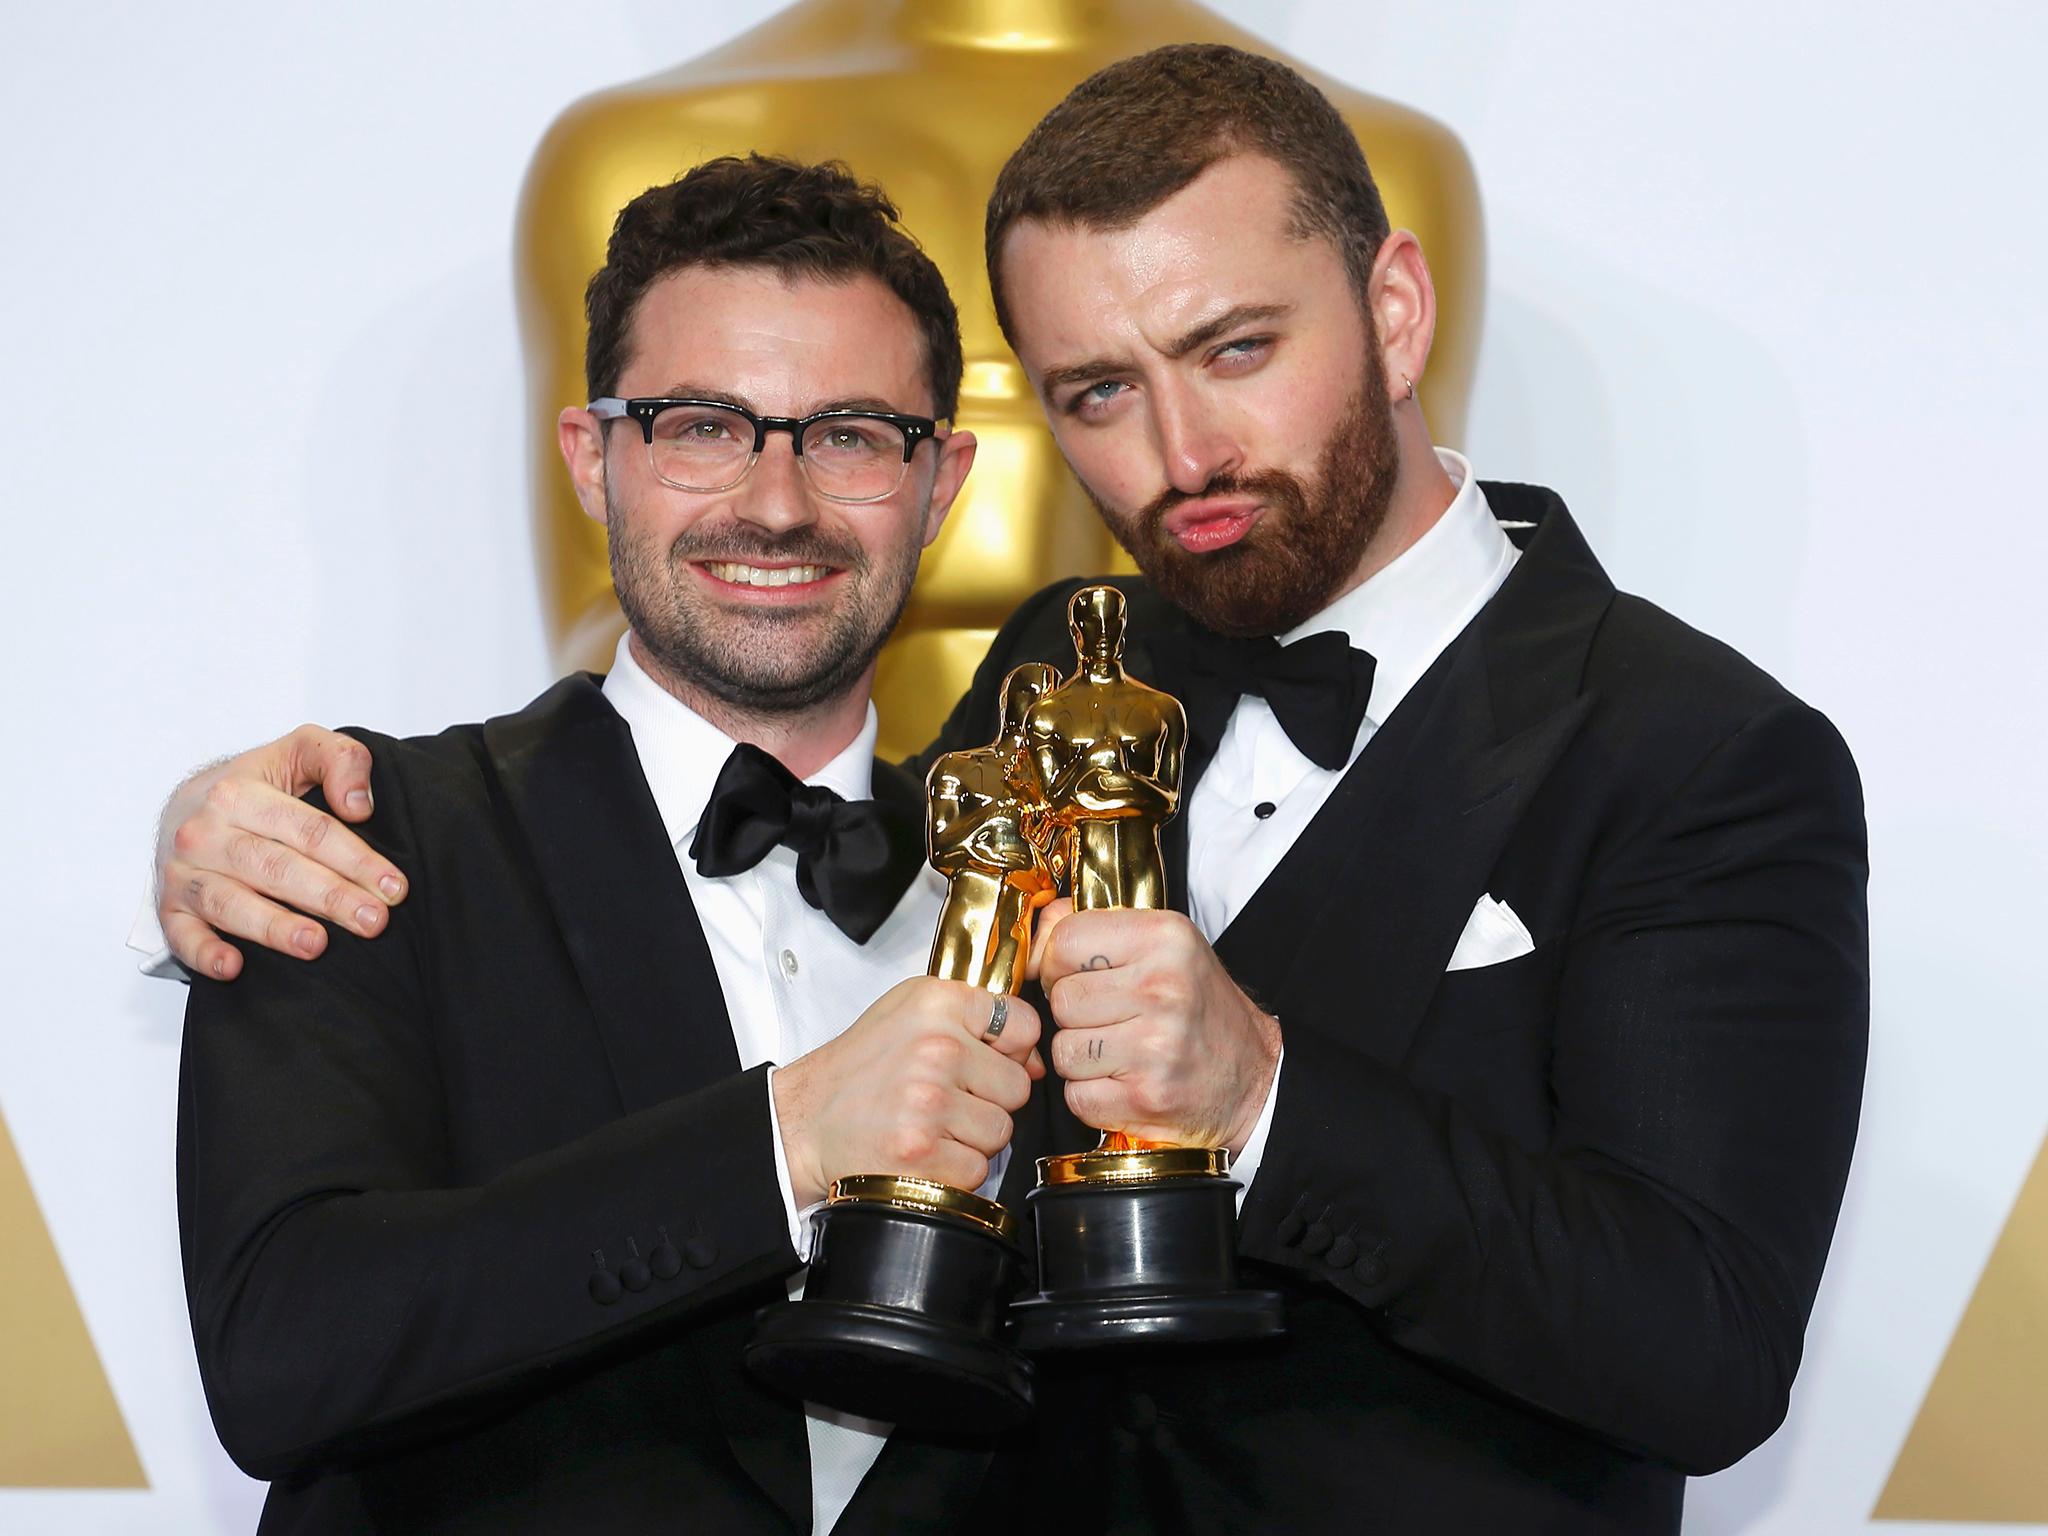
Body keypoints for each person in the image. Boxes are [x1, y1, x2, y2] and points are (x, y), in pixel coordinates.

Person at [154, 46, 1868, 1535]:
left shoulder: (1704, 753)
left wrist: (1265, 1096)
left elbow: (1703, 1348)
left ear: (1396, 310)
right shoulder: (1062, 664)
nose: (1183, 455)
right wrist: (227, 818)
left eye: (1239, 348)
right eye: (1100, 395)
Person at [173, 154, 1057, 1534]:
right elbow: (291, 1353)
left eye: (849, 435)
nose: (776, 503)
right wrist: (785, 1139)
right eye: (703, 425)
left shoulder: (1033, 881)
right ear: (596, 458)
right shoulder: (353, 840)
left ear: (939, 481)